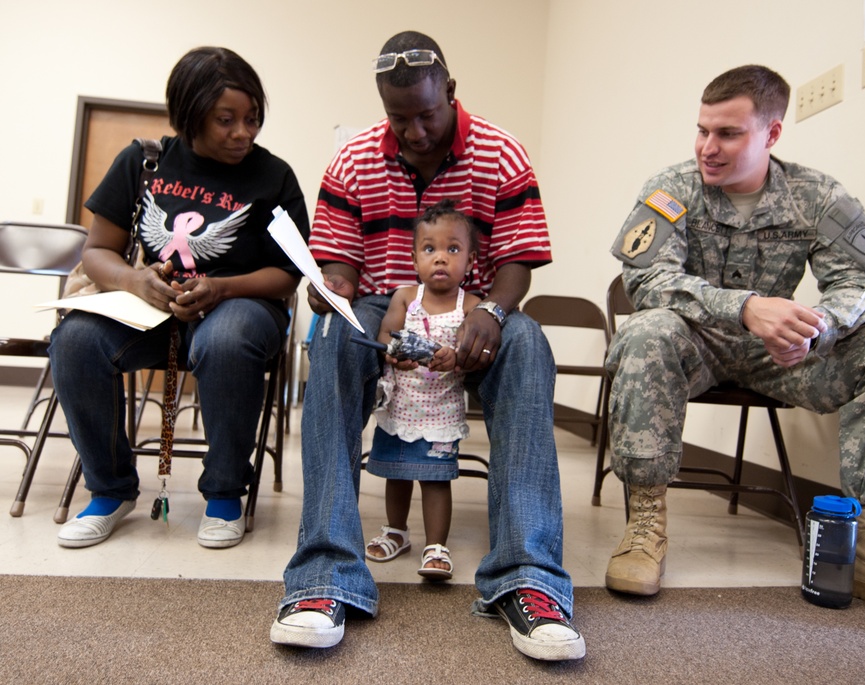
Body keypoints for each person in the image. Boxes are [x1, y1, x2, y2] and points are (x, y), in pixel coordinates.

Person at [604, 64, 865, 634]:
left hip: (781, 354)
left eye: (728, 134)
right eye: (701, 130)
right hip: (693, 344)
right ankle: (644, 527)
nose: (707, 148)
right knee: (646, 330)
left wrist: (818, 326)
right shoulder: (671, 188)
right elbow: (646, 281)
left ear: (772, 134)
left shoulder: (818, 195)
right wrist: (742, 306)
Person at [270, 31, 585, 661]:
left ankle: (529, 577)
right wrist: (330, 283)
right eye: (398, 118)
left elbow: (519, 261)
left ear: (451, 92)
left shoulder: (499, 152)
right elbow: (340, 259)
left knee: (527, 344)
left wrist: (494, 309)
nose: (414, 131)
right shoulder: (355, 158)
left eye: (427, 114)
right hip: (382, 309)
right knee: (331, 335)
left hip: (475, 311)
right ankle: (325, 575)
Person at [49, 46, 309, 550]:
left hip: (242, 306)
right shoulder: (143, 161)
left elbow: (287, 274)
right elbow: (98, 250)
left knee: (227, 339)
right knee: (75, 341)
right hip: (153, 306)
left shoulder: (272, 176)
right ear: (188, 115)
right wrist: (134, 280)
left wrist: (221, 287)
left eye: (252, 118)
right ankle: (110, 488)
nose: (244, 132)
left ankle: (225, 492)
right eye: (226, 120)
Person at [363, 200, 482, 582]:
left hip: (441, 411)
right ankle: (396, 531)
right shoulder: (404, 298)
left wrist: (456, 357)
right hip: (401, 406)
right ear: (415, 259)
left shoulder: (471, 306)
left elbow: (472, 352)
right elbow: (386, 335)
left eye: (453, 249)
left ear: (470, 260)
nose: (441, 259)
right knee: (396, 473)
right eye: (430, 249)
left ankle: (436, 545)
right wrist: (396, 354)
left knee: (435, 478)